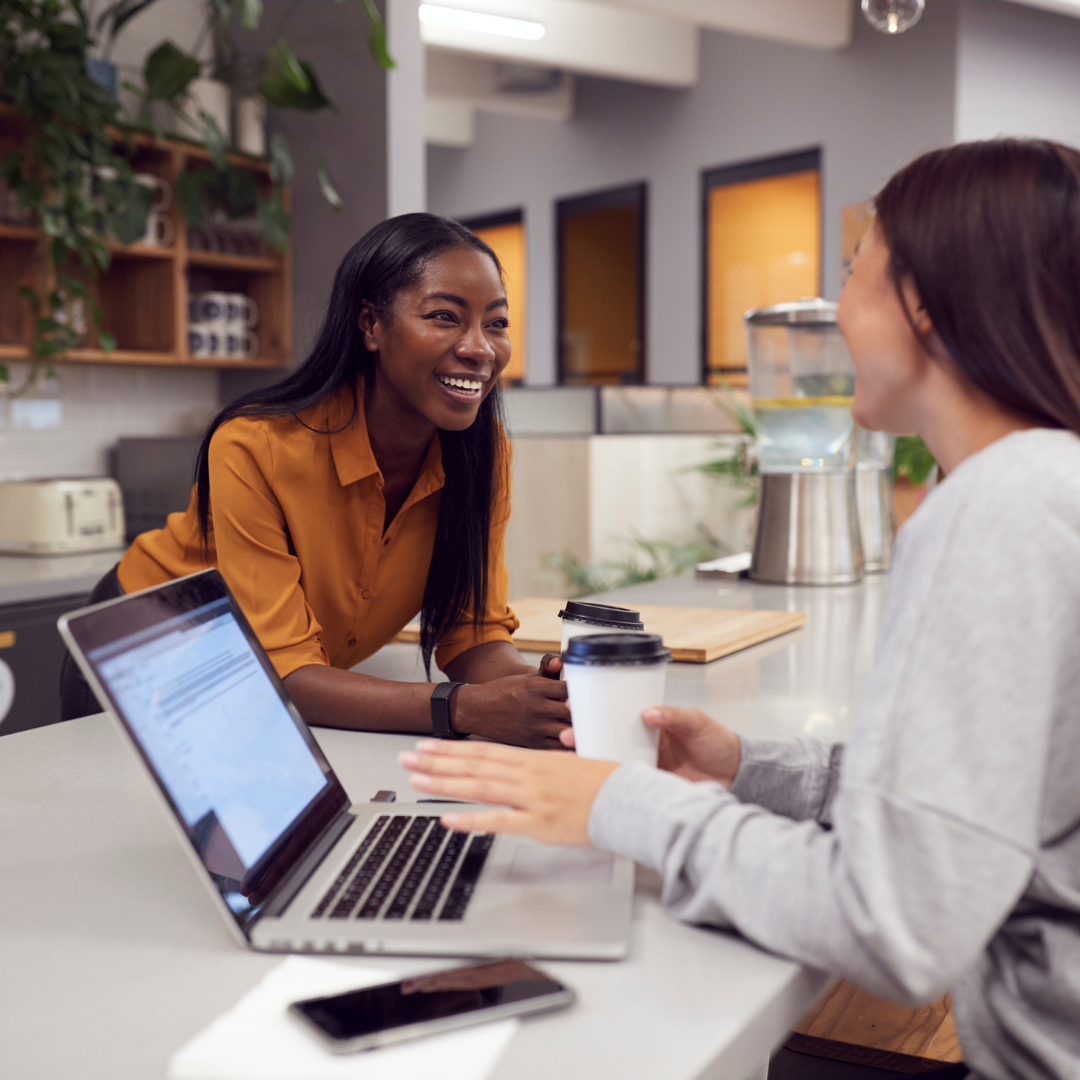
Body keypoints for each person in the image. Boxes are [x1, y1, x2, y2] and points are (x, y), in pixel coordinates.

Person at [400, 140, 1080, 1080]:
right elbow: (981, 796)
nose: (839, 311)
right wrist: (749, 768)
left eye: (854, 277)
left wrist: (623, 806)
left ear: (921, 303)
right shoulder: (1052, 484)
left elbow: (893, 925)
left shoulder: (998, 508)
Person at [60, 213, 569, 747]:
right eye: (444, 316)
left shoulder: (484, 455)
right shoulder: (256, 445)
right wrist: (463, 707)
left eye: (496, 323)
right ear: (371, 324)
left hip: (263, 684)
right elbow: (287, 672)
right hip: (147, 650)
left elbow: (473, 636)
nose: (481, 348)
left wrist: (545, 699)